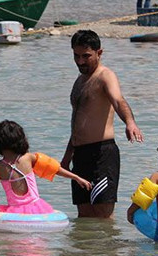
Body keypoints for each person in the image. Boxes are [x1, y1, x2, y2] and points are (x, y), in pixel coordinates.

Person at [61, 30, 143, 218]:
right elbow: (78, 122)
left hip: (101, 155)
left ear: (99, 53)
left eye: (86, 56)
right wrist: (67, 157)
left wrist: (130, 122)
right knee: (84, 218)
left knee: (102, 216)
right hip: (79, 156)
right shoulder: (80, 81)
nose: (80, 61)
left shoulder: (105, 76)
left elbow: (118, 100)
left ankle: (108, 248)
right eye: (76, 55)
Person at [0, 120, 92, 213]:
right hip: (36, 209)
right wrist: (76, 177)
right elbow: (54, 169)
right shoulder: (29, 158)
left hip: (14, 211)